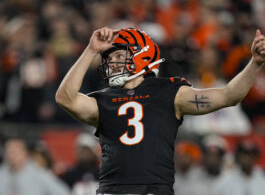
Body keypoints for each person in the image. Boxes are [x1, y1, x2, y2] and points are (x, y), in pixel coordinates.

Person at [55, 27, 265, 195]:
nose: (112, 62)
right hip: (111, 190)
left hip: (153, 190)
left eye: (119, 55)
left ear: (141, 55)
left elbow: (229, 96)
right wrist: (90, 50)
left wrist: (254, 64)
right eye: (109, 58)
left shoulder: (170, 92)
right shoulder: (103, 99)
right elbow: (64, 98)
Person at [0, 138, 70, 195]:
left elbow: (63, 192)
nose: (11, 156)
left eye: (14, 152)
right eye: (8, 152)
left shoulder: (39, 174)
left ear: (24, 153)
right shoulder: (2, 174)